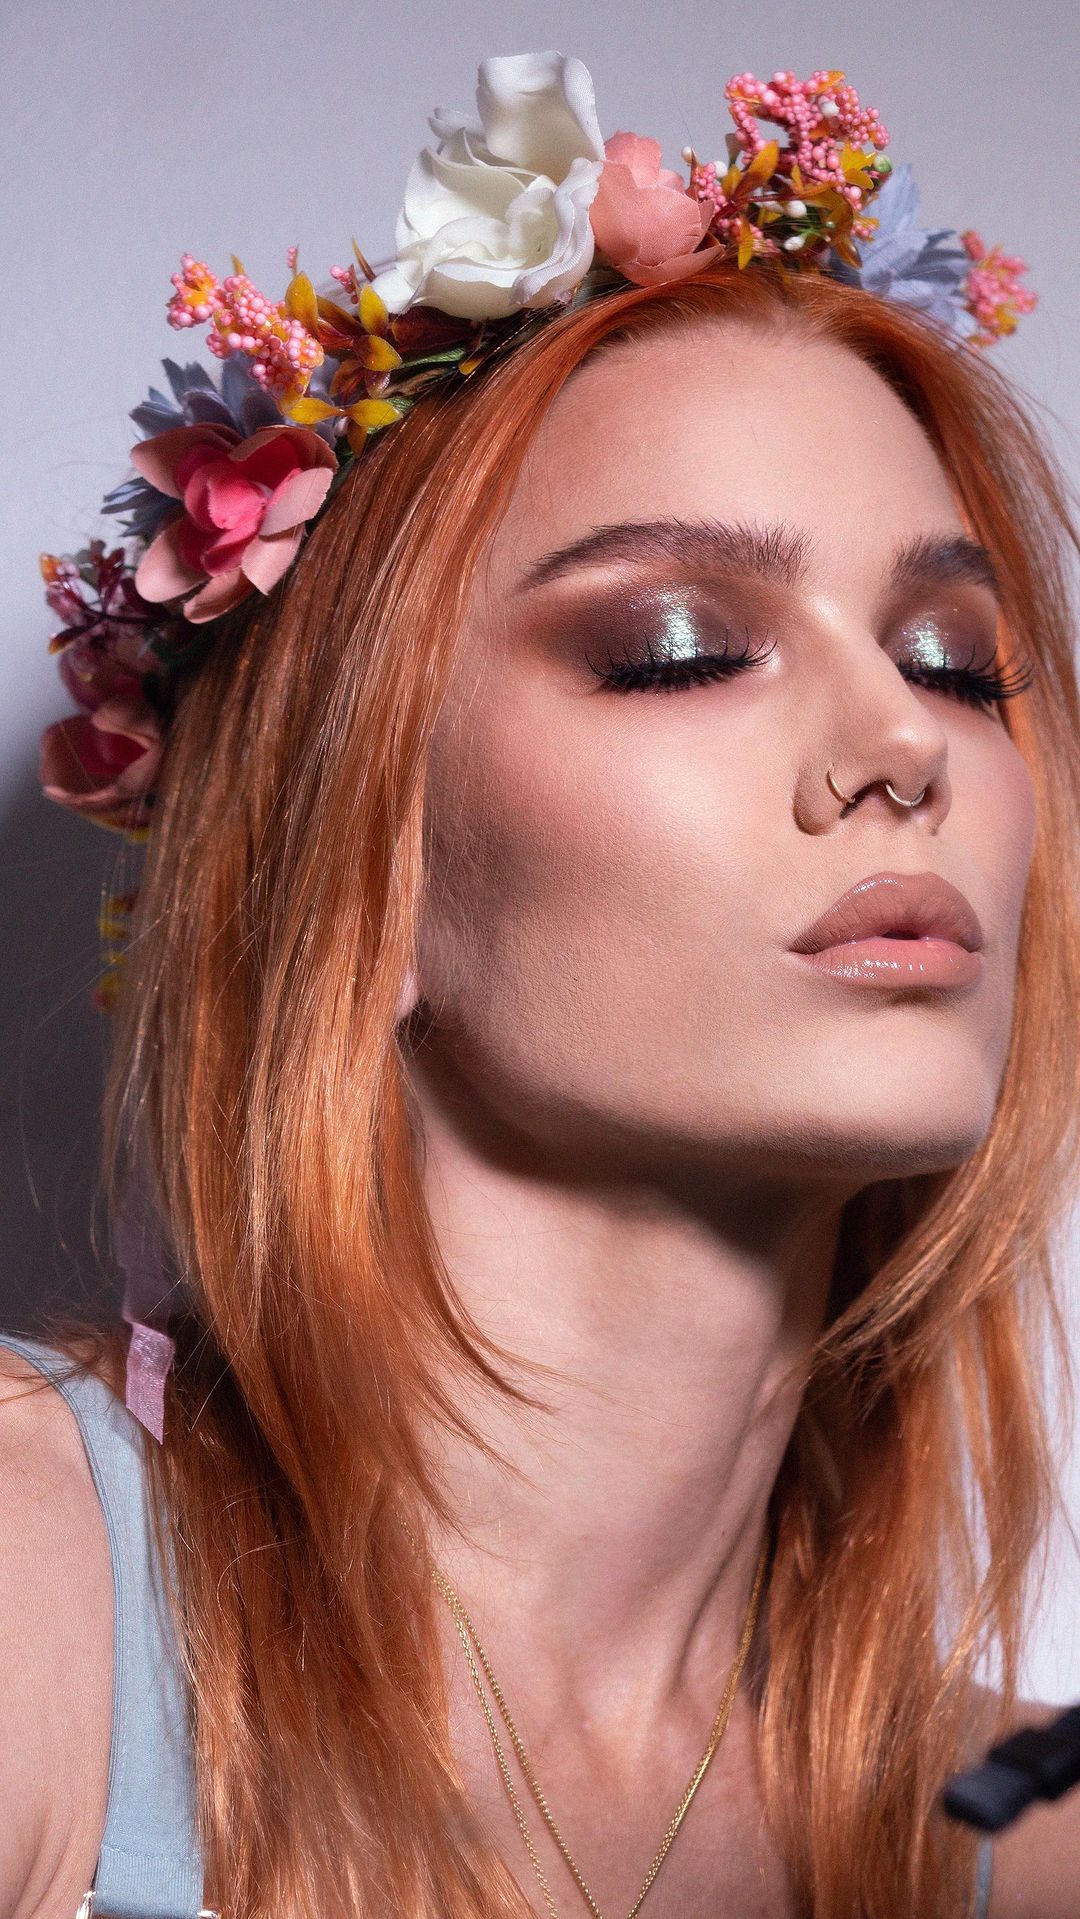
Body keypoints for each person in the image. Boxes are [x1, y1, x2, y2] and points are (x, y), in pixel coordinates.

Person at [2, 49, 1078, 1919]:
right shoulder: (33, 1613)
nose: (903, 743)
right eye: (678, 647)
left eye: (956, 660)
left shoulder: (1019, 1836)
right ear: (361, 864)